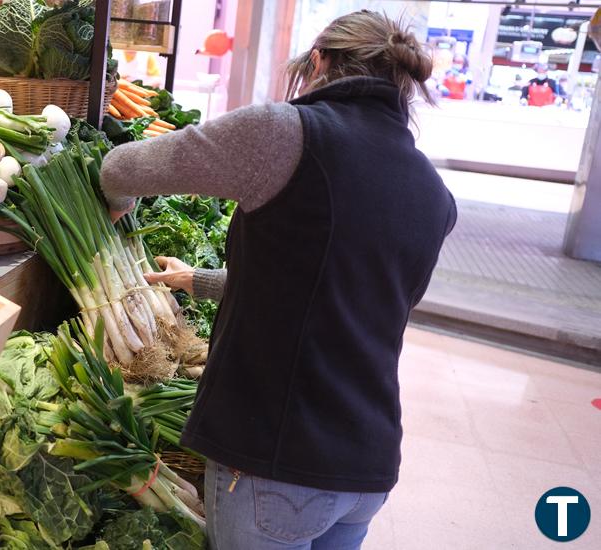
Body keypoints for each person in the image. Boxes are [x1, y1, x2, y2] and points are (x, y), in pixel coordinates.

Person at [100, 10, 457, 550]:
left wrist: (121, 200)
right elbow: (342, 293)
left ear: (318, 62)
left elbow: (121, 168)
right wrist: (199, 281)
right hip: (367, 463)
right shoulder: (433, 193)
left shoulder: (285, 133)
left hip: (277, 459)